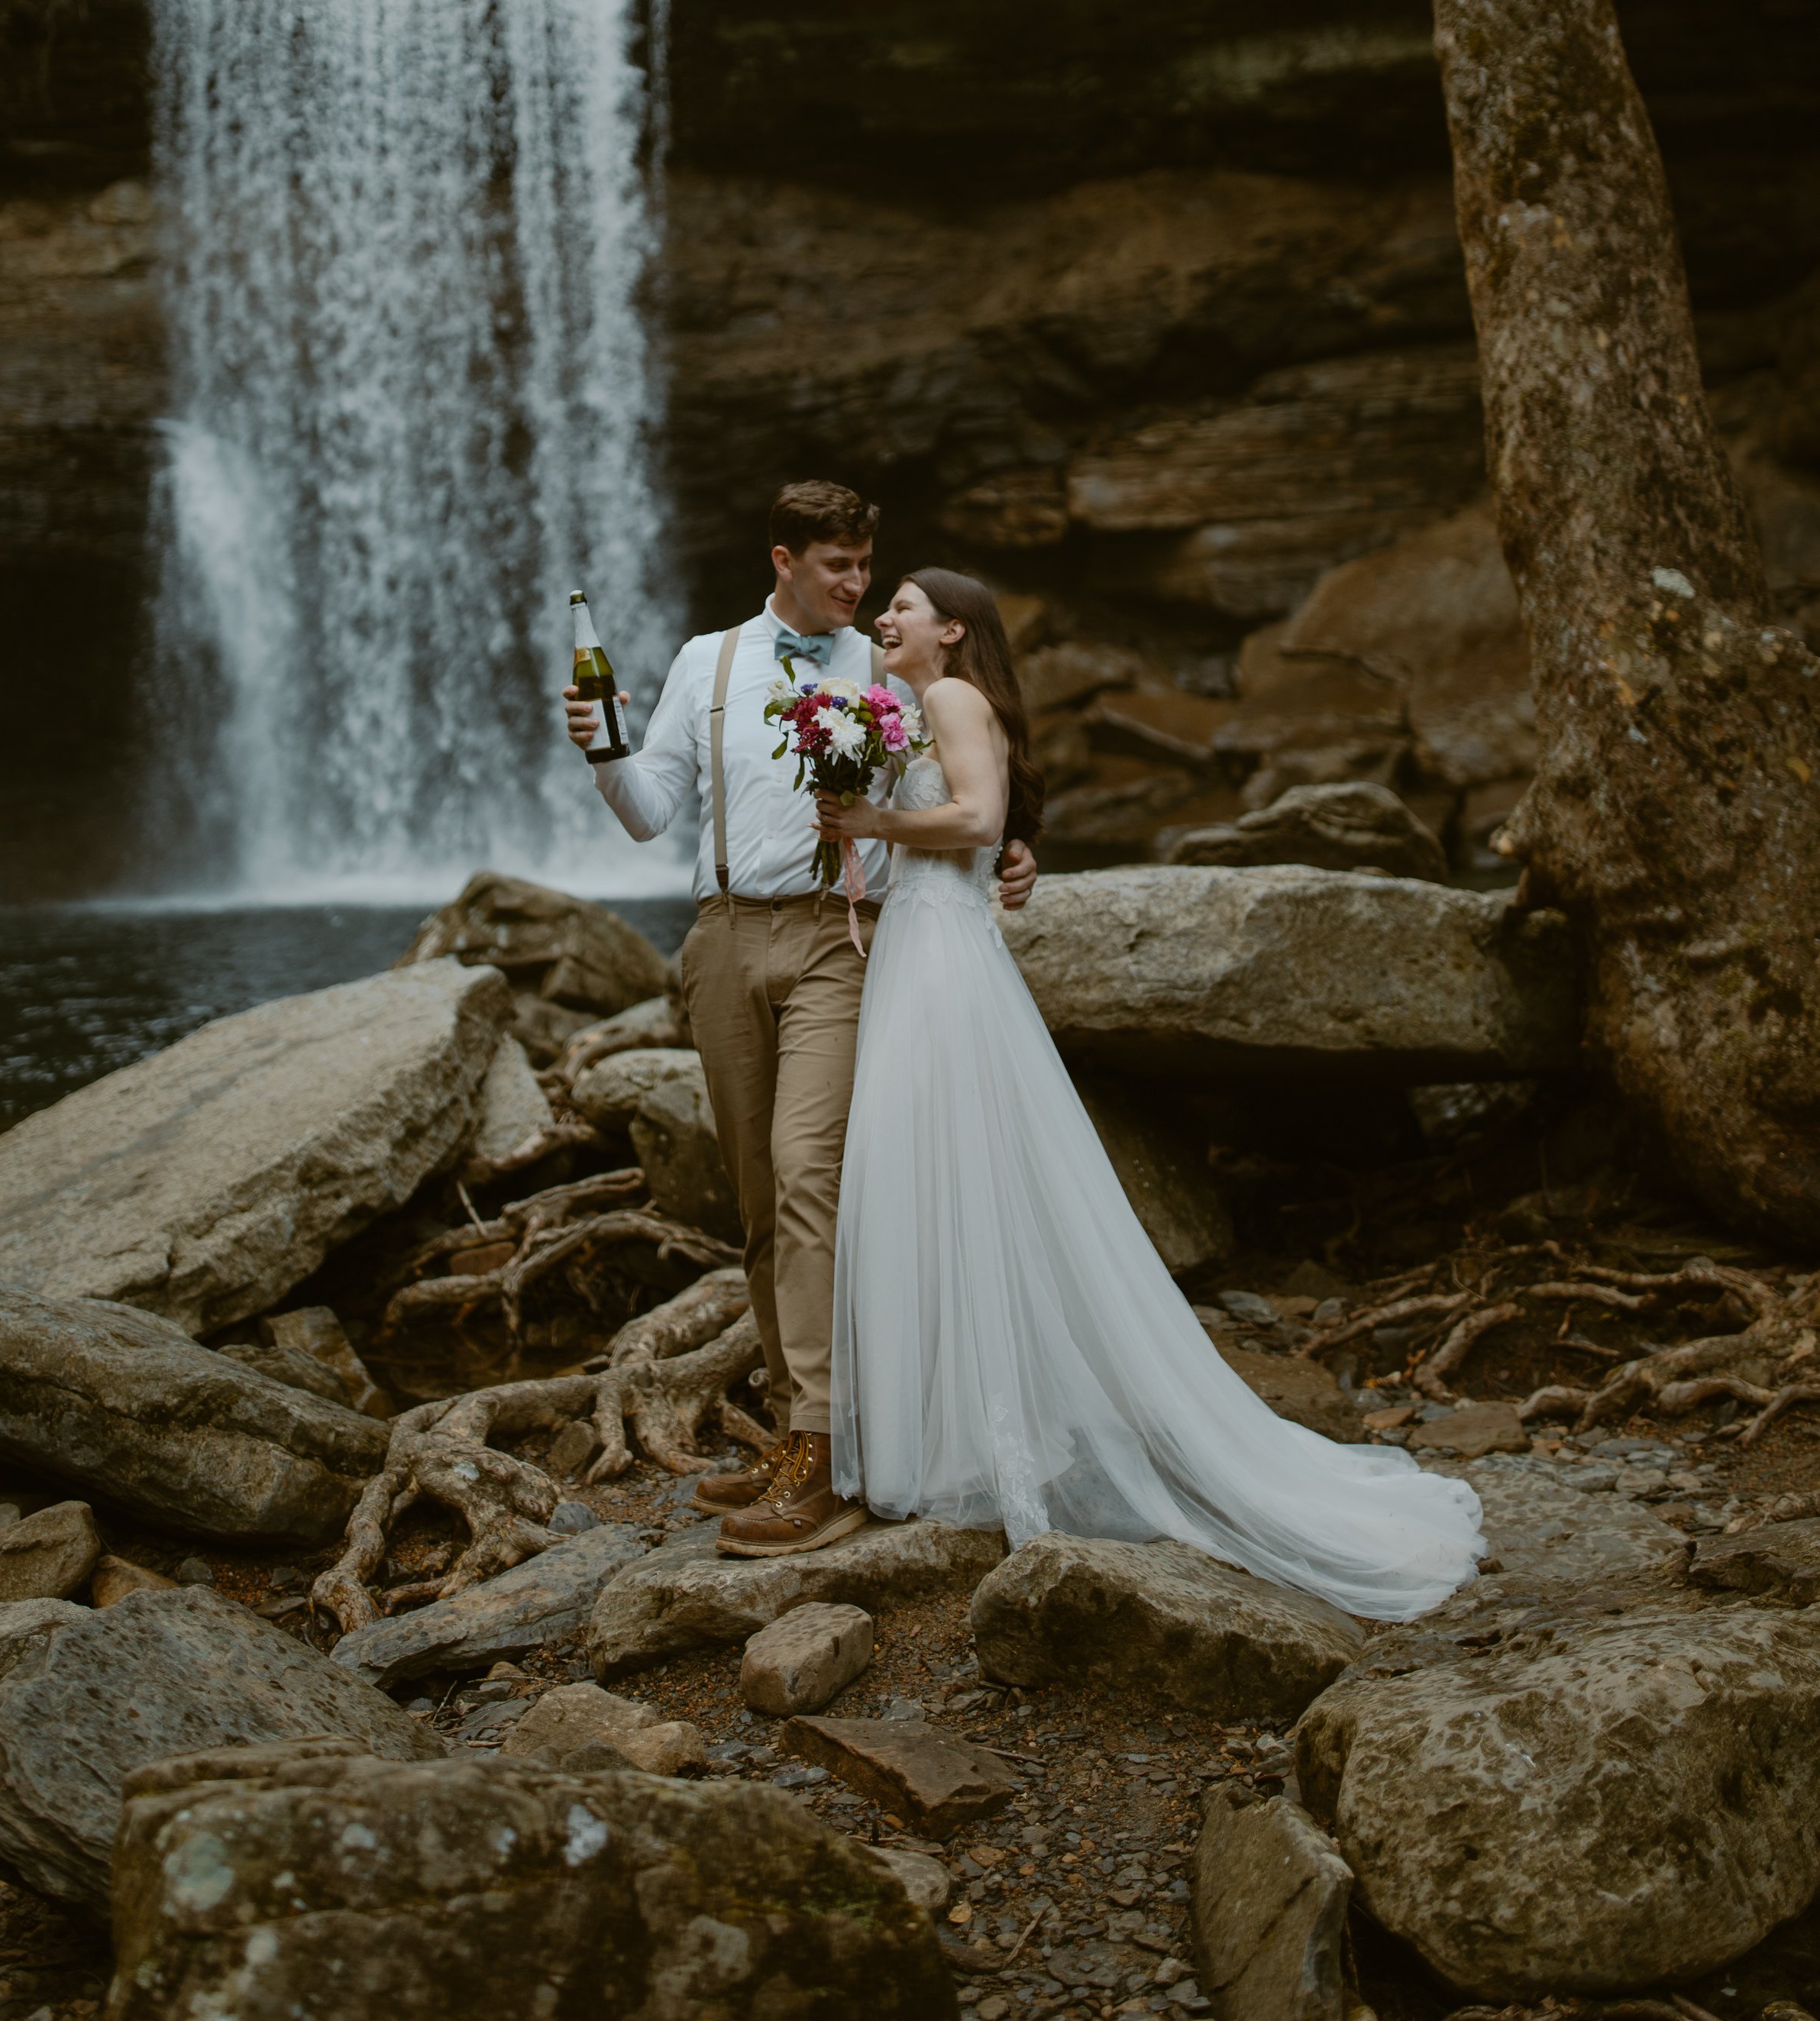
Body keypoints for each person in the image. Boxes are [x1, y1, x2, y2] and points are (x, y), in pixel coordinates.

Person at [816, 567, 1483, 1622]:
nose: (881, 617)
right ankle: (959, 1440)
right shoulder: (907, 703)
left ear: (951, 629)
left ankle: (966, 1445)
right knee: (935, 1178)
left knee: (940, 1175)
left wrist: (871, 822)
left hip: (940, 963)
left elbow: (979, 815)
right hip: (923, 947)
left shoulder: (946, 695)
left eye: (900, 604)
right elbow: (985, 827)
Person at [563, 480, 1039, 1559]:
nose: (862, 588)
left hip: (844, 936)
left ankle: (827, 1453)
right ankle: (789, 1427)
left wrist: (1015, 847)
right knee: (758, 1200)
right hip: (724, 941)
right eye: (840, 567)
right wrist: (603, 750)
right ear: (783, 559)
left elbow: (974, 765)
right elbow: (648, 815)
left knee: (810, 1170)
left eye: (870, 569)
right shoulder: (706, 662)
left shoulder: (890, 666)